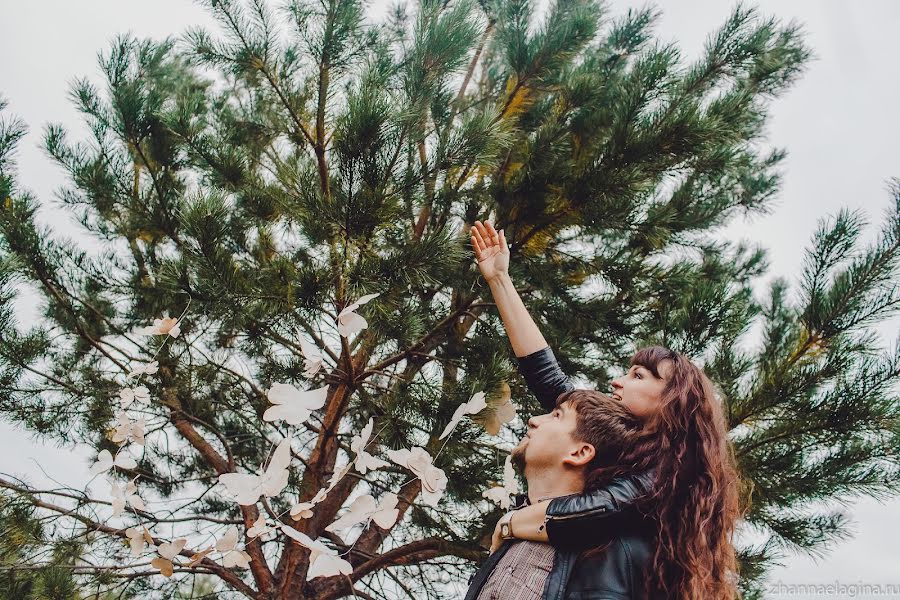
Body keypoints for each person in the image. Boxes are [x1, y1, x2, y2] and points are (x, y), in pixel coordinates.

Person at [470, 220, 742, 599]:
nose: (617, 382)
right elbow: (547, 376)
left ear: (673, 400)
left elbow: (599, 508)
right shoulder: (616, 442)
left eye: (638, 376)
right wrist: (500, 280)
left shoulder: (670, 469)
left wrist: (515, 520)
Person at [465, 390, 652, 600]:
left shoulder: (608, 554)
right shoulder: (510, 530)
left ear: (579, 453)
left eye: (556, 415)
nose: (533, 420)